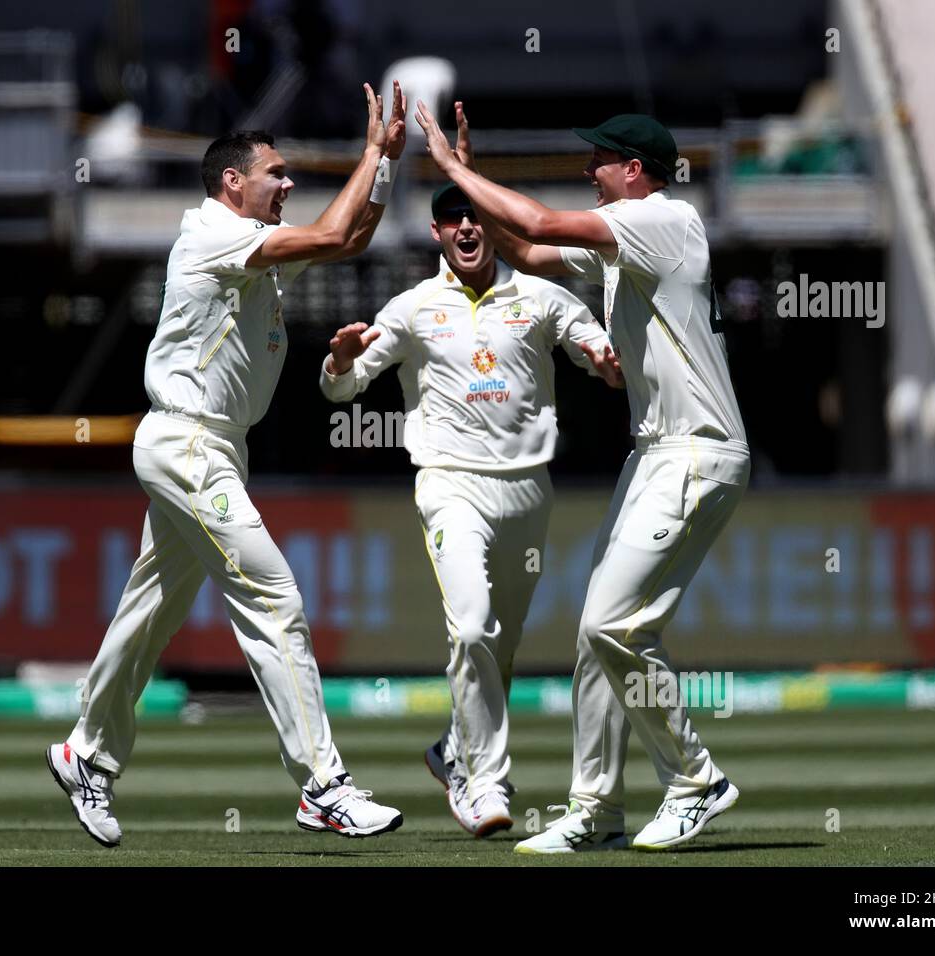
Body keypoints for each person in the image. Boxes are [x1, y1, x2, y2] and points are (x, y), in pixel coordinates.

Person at [47, 82, 409, 846]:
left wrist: (384, 168)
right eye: (275, 173)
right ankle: (323, 786)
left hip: (212, 448)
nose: (288, 183)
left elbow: (354, 234)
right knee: (274, 599)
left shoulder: (256, 255)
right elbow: (338, 238)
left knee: (150, 610)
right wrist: (372, 150)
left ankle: (87, 753)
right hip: (186, 443)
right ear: (231, 183)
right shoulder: (214, 235)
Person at [415, 102, 750, 853]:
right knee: (595, 634)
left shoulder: (665, 220)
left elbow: (535, 224)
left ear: (636, 170)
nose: (589, 172)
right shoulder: (626, 240)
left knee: (612, 625)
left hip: (697, 450)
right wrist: (474, 196)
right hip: (656, 452)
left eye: (600, 161)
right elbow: (527, 254)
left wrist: (453, 169)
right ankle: (596, 808)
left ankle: (696, 779)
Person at [319, 155, 623, 837]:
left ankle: (454, 746)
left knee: (500, 647)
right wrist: (338, 362)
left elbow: (591, 345)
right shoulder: (414, 308)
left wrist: (605, 359)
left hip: (527, 492)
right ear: (436, 234)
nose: (464, 227)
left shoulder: (539, 297)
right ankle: (483, 782)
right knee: (472, 624)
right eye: (451, 219)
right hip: (450, 486)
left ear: (491, 225)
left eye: (475, 216)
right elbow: (342, 387)